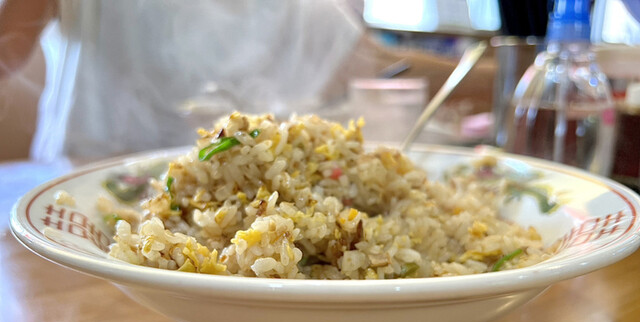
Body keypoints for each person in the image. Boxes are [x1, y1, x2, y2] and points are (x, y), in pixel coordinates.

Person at [0, 0, 496, 164]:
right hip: (79, 204)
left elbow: (383, 65)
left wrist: (511, 78)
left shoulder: (305, 9)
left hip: (236, 226)